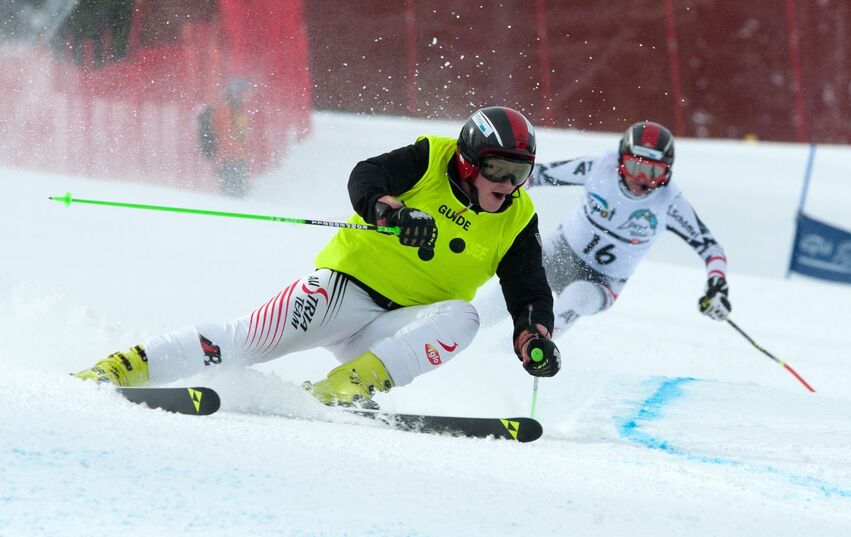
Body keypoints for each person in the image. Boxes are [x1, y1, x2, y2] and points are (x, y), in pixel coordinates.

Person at [74, 106, 562, 408]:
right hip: (342, 293)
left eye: (519, 173)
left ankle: (342, 389)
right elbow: (366, 175)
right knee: (245, 342)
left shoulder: (517, 218)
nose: (507, 184)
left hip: (395, 329)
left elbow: (529, 288)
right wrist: (389, 210)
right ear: (468, 161)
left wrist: (532, 335)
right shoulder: (431, 158)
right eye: (498, 169)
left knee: (464, 318)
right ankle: (123, 367)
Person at [479, 120, 730, 335]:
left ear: (667, 173)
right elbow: (533, 176)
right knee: (507, 296)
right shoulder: (599, 167)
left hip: (602, 282)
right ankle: (468, 334)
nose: (640, 179)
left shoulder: (670, 203)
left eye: (653, 172)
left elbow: (712, 249)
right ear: (620, 161)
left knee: (576, 297)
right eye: (634, 166)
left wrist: (716, 285)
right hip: (560, 253)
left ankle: (514, 357)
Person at [200, 79, 253, 197]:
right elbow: (225, 136)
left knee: (235, 194)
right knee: (233, 196)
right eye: (246, 94)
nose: (247, 98)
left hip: (234, 159)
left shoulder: (235, 109)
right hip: (230, 160)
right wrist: (238, 156)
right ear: (237, 93)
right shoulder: (224, 109)